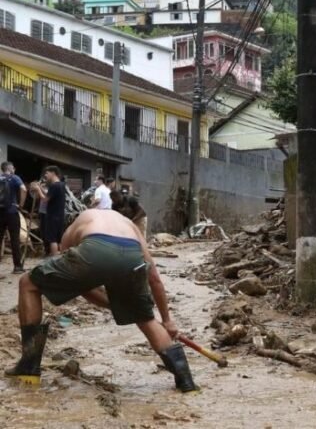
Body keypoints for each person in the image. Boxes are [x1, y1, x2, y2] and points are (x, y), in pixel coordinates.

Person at [4, 209, 196, 392]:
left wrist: (112, 305)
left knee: (28, 283)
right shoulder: (130, 226)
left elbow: (80, 284)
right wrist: (167, 320)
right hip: (131, 254)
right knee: (145, 318)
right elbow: (154, 279)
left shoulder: (76, 227)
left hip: (94, 248)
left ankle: (28, 367)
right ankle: (186, 381)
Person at [31, 166, 66, 256]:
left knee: (52, 239)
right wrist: (41, 188)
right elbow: (49, 195)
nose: (45, 175)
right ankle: (60, 258)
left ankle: (53, 259)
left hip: (52, 216)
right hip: (60, 216)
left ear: (53, 173)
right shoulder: (61, 184)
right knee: (59, 239)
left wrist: (38, 190)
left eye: (47, 173)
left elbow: (45, 199)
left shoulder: (54, 186)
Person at [0, 162, 26, 273]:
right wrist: (20, 205)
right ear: (11, 168)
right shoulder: (14, 178)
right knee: (14, 240)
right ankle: (18, 267)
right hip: (12, 212)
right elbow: (24, 189)